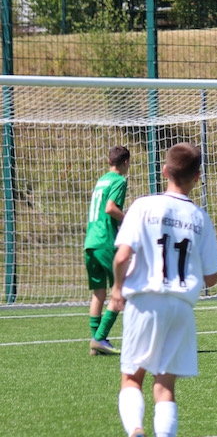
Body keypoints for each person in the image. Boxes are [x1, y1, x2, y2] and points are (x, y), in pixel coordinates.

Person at [109, 142, 217, 437]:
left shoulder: (143, 206)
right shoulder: (200, 218)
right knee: (165, 387)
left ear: (164, 171)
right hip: (181, 306)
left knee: (132, 378)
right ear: (197, 177)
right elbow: (212, 278)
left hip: (145, 301)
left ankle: (136, 432)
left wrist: (117, 289)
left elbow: (122, 256)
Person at [83, 146, 131, 356]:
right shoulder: (119, 180)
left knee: (99, 293)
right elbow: (110, 208)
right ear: (126, 162)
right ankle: (100, 338)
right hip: (105, 241)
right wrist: (128, 219)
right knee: (122, 289)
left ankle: (96, 342)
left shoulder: (102, 180)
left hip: (90, 242)